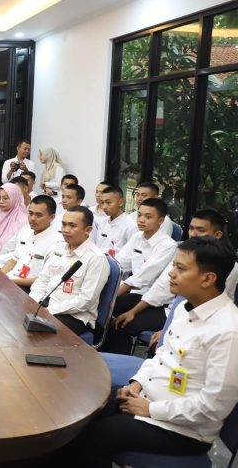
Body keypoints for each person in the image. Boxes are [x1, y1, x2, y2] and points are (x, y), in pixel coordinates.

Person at [69, 236, 238, 467]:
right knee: (83, 410)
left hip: (183, 429)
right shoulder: (184, 308)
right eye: (173, 266)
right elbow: (161, 356)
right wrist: (136, 383)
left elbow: (213, 407)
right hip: (148, 398)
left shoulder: (228, 331)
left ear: (208, 279)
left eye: (180, 269)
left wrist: (151, 409)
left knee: (98, 435)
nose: (171, 273)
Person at [102, 209, 238, 355]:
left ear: (217, 235)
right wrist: (133, 311)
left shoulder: (226, 265)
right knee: (113, 310)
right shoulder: (186, 253)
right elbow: (162, 285)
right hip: (171, 306)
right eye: (191, 228)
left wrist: (167, 329)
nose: (193, 234)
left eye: (200, 230)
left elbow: (201, 305)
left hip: (192, 315)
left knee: (126, 326)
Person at [28, 206, 110, 335]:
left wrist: (50, 310)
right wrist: (33, 301)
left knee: (35, 333)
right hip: (46, 305)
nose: (66, 230)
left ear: (88, 230)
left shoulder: (96, 258)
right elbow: (42, 280)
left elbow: (86, 301)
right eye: (64, 224)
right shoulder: (58, 248)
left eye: (72, 226)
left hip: (74, 316)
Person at [115, 198, 177, 299]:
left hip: (152, 297)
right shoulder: (137, 237)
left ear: (160, 221)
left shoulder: (168, 245)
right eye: (139, 215)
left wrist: (112, 298)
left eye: (148, 217)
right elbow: (119, 263)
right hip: (132, 291)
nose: (141, 220)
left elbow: (143, 277)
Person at [0, 195, 64, 289]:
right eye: (30, 213)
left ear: (52, 217)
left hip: (29, 288)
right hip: (11, 280)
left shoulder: (58, 242)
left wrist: (9, 281)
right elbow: (13, 260)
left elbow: (46, 279)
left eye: (39, 215)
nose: (33, 218)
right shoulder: (26, 231)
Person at [94, 185, 138, 256]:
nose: (104, 207)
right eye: (102, 203)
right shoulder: (103, 222)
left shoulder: (131, 226)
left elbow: (131, 253)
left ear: (121, 202)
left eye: (108, 202)